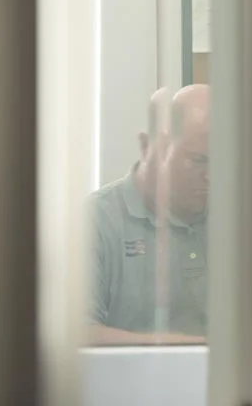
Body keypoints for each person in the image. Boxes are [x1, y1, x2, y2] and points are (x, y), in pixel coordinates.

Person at [87, 85, 210, 345]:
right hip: (130, 384)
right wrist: (194, 349)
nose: (211, 175)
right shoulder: (95, 221)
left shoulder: (231, 221)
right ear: (147, 146)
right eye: (198, 160)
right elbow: (78, 334)